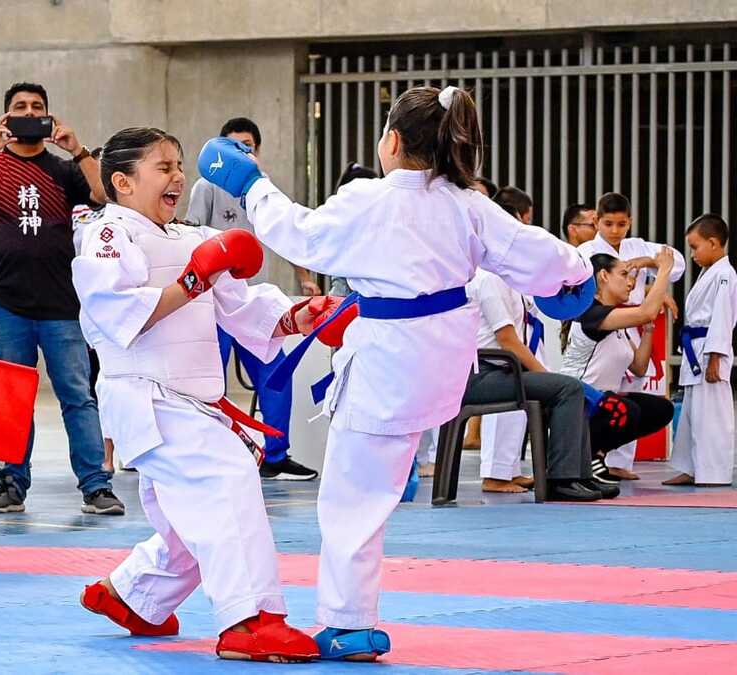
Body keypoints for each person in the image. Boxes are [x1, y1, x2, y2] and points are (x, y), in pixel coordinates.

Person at [203, 85, 591, 660]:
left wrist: (251, 184)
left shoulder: (369, 198)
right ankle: (363, 583)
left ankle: (349, 624)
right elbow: (528, 250)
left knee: (352, 498)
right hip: (443, 364)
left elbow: (301, 234)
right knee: (381, 474)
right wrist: (574, 275)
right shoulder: (467, 203)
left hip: (388, 361)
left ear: (391, 141)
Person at [75, 127, 323, 663]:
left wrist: (298, 316)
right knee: (226, 483)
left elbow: (240, 306)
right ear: (122, 181)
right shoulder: (106, 234)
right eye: (163, 167)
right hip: (147, 397)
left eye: (179, 166)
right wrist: (193, 280)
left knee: (193, 518)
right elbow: (114, 311)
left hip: (193, 403)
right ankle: (249, 621)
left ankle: (133, 596)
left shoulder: (191, 238)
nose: (178, 177)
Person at [0, 82, 122, 515]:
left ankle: (96, 486)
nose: (28, 112)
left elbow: (104, 196)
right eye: (19, 107)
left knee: (78, 397)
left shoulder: (63, 169)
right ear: (5, 117)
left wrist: (78, 149)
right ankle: (12, 484)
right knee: (11, 399)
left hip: (62, 306)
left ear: (48, 116)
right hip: (5, 304)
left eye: (37, 107)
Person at [188, 117, 320, 481]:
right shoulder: (206, 186)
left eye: (246, 146)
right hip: (215, 302)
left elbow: (285, 232)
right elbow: (191, 234)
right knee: (209, 380)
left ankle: (276, 453)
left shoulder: (263, 188)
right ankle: (207, 454)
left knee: (277, 372)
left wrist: (305, 277)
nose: (240, 153)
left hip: (254, 304)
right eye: (232, 146)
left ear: (256, 150)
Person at [464, 267, 610, 501]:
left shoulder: (511, 281)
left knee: (574, 389)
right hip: (483, 374)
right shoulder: (490, 280)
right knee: (568, 389)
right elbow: (507, 340)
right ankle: (561, 480)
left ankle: (580, 476)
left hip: (504, 369)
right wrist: (545, 374)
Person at [577, 192, 685, 479]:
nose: (615, 230)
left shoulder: (637, 245)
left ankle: (618, 462)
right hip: (604, 320)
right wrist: (656, 279)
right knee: (609, 393)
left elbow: (677, 262)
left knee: (634, 388)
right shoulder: (586, 252)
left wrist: (648, 262)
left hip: (630, 326)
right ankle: (587, 453)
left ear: (630, 222)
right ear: (596, 221)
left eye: (621, 224)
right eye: (608, 224)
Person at [559, 252, 677, 484]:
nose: (631, 282)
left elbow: (639, 367)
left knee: (660, 409)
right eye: (624, 274)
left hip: (601, 402)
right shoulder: (591, 313)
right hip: (576, 403)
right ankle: (584, 457)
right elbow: (645, 312)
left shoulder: (614, 321)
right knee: (625, 409)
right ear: (604, 276)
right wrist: (664, 269)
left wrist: (648, 330)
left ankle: (595, 454)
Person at [665, 215, 737, 486]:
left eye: (695, 247)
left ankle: (714, 473)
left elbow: (722, 318)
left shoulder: (725, 274)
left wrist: (715, 358)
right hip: (696, 349)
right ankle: (691, 467)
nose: (692, 254)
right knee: (693, 414)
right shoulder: (711, 272)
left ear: (714, 243)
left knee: (712, 416)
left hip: (709, 352)